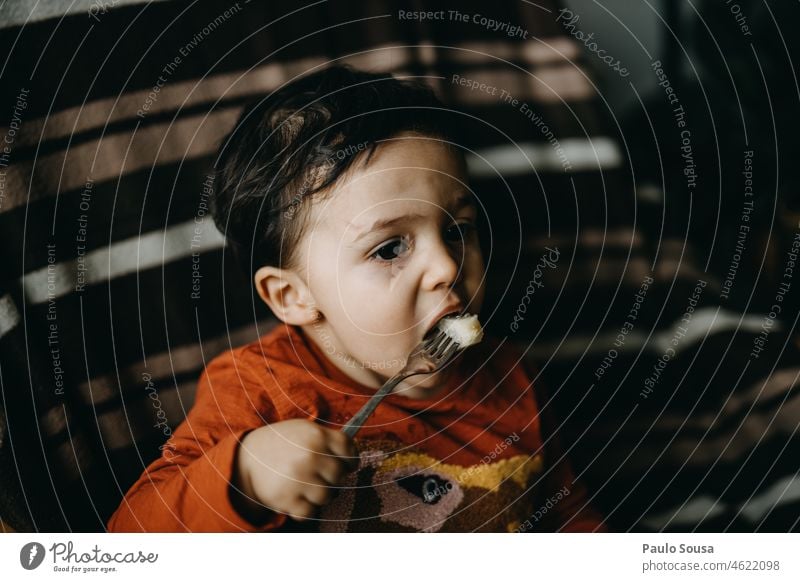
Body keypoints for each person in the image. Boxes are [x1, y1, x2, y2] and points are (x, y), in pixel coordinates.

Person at [107, 65, 605, 532]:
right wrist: (245, 477)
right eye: (390, 248)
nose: (448, 266)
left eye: (457, 230)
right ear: (293, 296)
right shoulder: (259, 392)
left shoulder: (509, 377)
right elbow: (130, 538)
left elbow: (562, 509)